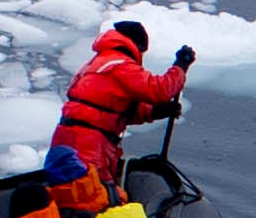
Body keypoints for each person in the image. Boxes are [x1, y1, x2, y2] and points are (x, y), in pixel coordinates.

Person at [54, 19, 192, 188]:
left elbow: (108, 109)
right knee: (93, 197)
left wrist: (154, 112)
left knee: (70, 191)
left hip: (69, 139)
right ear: (138, 46)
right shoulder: (120, 64)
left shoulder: (98, 63)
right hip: (88, 145)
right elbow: (158, 90)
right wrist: (180, 66)